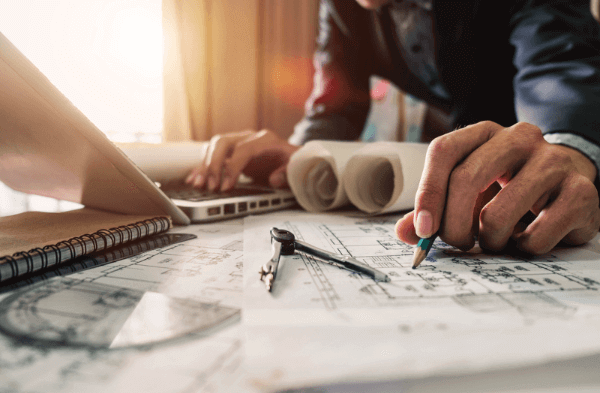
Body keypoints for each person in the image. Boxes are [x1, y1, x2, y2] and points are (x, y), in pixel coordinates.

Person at [185, 0, 600, 255]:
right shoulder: (343, 5)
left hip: (529, 161)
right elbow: (336, 104)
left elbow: (558, 69)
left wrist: (568, 151)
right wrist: (304, 152)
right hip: (469, 167)